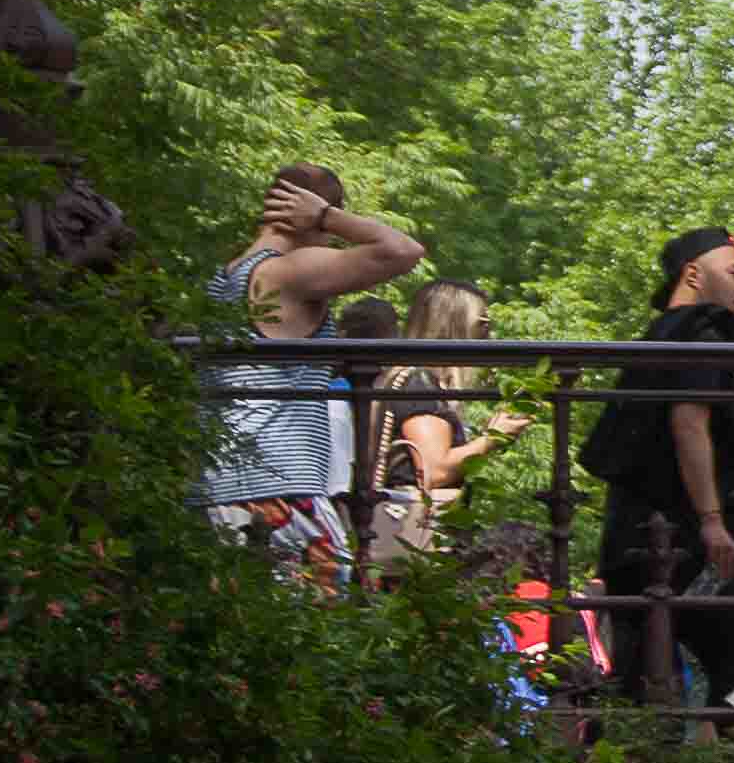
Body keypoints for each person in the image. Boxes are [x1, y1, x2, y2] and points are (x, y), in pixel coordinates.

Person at [592, 227, 734, 731]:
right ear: (693, 274)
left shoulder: (659, 335)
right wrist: (712, 520)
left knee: (642, 683)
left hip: (636, 534)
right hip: (688, 540)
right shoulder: (704, 329)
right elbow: (689, 420)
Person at [206, 164, 423, 577]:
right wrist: (328, 217)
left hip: (222, 490)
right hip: (280, 495)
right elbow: (403, 251)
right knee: (313, 631)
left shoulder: (226, 276)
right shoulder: (286, 272)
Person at [357, 276, 526, 563]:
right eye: (483, 323)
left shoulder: (403, 377)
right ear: (454, 324)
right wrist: (492, 438)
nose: (488, 335)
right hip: (413, 537)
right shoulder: (420, 382)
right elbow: (433, 472)